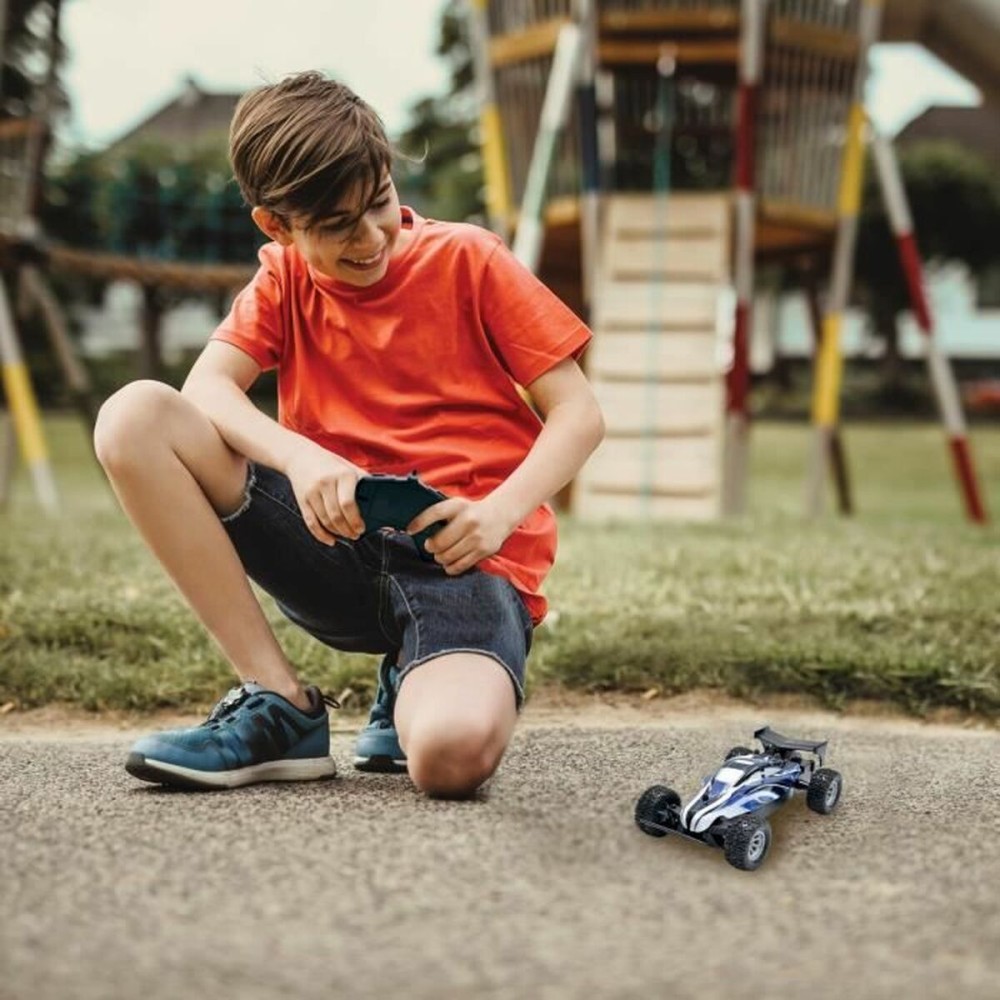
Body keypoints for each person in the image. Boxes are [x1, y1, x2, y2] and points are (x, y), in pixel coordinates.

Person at [93, 71, 604, 798]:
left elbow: (580, 414)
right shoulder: (283, 278)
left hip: (464, 562)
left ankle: (414, 676)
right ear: (277, 226)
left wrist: (498, 514)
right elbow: (205, 388)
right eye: (336, 226)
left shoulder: (471, 258)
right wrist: (302, 459)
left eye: (380, 205)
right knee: (135, 416)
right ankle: (279, 703)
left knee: (450, 762)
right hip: (332, 547)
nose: (370, 239)